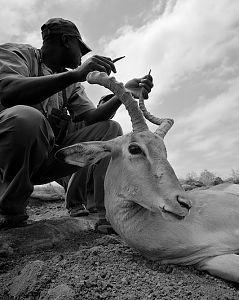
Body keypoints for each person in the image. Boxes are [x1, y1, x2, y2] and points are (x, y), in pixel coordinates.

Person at [0, 18, 153, 228]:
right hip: (6, 161)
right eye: (80, 49)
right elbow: (8, 91)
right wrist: (74, 75)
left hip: (47, 160)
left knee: (111, 130)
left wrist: (123, 94)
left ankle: (106, 213)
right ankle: (10, 211)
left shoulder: (71, 84)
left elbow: (91, 119)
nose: (82, 56)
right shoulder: (19, 54)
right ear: (65, 40)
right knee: (27, 119)